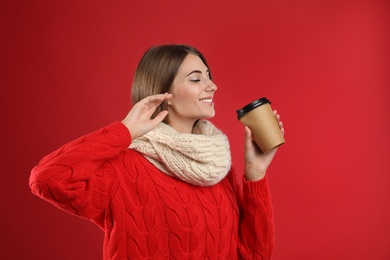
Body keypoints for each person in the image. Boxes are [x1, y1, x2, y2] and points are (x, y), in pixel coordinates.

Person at [29, 44, 284, 259]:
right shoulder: (124, 167)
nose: (212, 86)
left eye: (208, 76)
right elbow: (48, 178)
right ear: (165, 94)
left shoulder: (216, 166)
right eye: (196, 79)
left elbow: (254, 255)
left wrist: (256, 173)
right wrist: (125, 131)